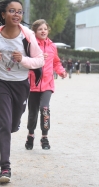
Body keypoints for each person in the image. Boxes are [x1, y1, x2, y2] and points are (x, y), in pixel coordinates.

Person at [0, 0, 44, 183]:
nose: (16, 14)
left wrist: (22, 60)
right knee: (5, 125)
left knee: (13, 124)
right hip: (1, 83)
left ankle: (9, 125)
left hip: (21, 84)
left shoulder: (27, 35)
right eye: (12, 11)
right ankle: (5, 168)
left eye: (19, 11)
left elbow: (40, 60)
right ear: (3, 14)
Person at [25, 19, 67, 151]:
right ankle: (30, 135)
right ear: (35, 32)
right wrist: (36, 58)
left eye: (45, 29)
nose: (43, 31)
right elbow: (24, 61)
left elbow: (56, 62)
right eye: (40, 29)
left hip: (47, 84)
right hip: (33, 84)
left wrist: (61, 71)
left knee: (45, 109)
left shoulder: (52, 46)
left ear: (48, 30)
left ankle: (44, 137)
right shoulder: (31, 45)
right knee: (32, 113)